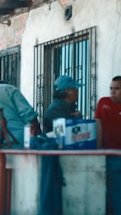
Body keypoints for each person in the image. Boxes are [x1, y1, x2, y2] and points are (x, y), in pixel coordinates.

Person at [41, 75, 83, 215]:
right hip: (57, 157)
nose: (77, 92)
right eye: (74, 89)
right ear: (67, 91)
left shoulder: (68, 107)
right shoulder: (55, 109)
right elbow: (60, 132)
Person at [94, 76, 121, 215]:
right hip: (108, 156)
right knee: (110, 193)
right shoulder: (103, 102)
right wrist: (98, 152)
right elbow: (98, 127)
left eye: (117, 89)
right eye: (111, 88)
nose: (112, 92)